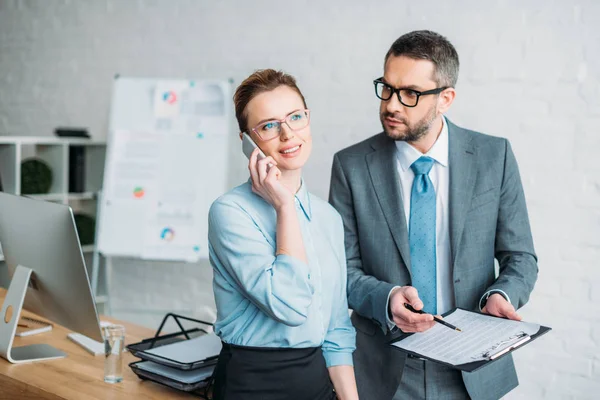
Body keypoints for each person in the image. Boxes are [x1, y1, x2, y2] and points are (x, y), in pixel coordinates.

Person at [329, 30, 538, 400]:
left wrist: (501, 294)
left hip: (473, 367)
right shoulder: (350, 166)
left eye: (409, 93)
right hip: (384, 367)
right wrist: (387, 297)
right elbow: (341, 269)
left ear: (446, 99)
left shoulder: (494, 157)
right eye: (387, 88)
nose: (391, 104)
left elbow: (520, 256)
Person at [208, 69, 358, 400]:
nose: (288, 134)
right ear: (247, 142)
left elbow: (336, 329)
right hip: (253, 385)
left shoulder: (328, 218)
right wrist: (284, 207)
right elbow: (289, 307)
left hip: (318, 383)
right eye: (269, 126)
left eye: (295, 117)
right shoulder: (230, 212)